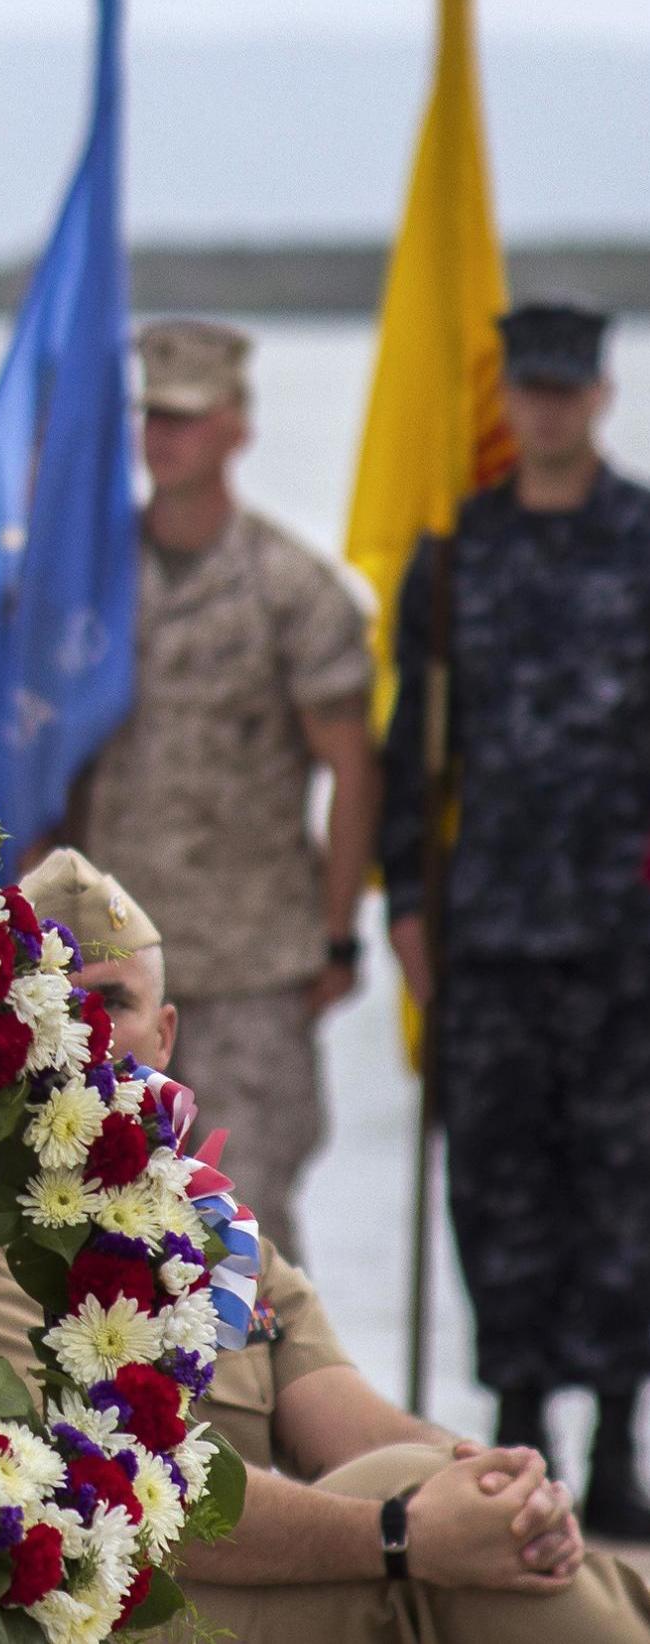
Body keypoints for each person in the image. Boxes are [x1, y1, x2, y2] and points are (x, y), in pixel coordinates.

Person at [0, 849, 650, 1642]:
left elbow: (354, 1425)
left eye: (114, 1002)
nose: (85, 1031)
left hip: (261, 1596)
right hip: (111, 1612)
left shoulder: (207, 1226)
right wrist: (400, 1533)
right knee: (426, 1545)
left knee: (480, 1522)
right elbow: (143, 1504)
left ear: (164, 1037)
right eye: (53, 1003)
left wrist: (499, 1485)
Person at [380, 298, 650, 1538]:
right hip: (486, 930)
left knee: (625, 1185)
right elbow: (410, 756)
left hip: (624, 936)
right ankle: (524, 1424)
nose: (546, 408)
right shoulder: (456, 554)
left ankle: (617, 1446)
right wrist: (402, 902)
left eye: (565, 387)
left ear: (598, 395)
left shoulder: (642, 541)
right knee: (497, 1186)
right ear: (509, 403)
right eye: (526, 388)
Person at [62, 318, 379, 1263]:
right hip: (113, 969)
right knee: (96, 1236)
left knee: (249, 1243)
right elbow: (50, 762)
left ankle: (271, 1417)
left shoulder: (292, 588)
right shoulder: (89, 584)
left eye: (190, 418)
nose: (167, 437)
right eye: (155, 416)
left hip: (251, 972)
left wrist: (336, 935)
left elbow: (353, 769)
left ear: (238, 425)